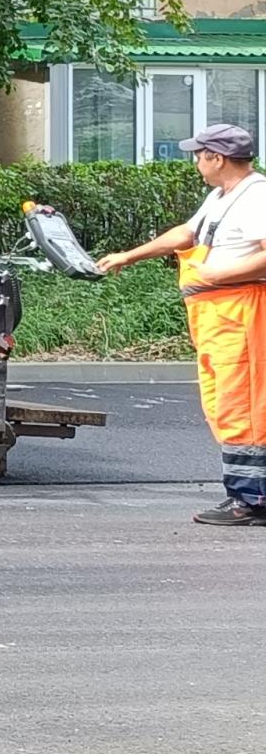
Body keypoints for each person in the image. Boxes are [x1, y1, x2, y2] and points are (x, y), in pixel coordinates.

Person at [98, 120, 266, 526]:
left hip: (240, 312)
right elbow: (185, 234)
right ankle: (246, 494)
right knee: (224, 401)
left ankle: (252, 500)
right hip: (218, 315)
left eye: (199, 154)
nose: (195, 161)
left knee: (240, 405)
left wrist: (215, 276)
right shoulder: (223, 195)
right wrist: (128, 255)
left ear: (217, 158)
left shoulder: (257, 198)